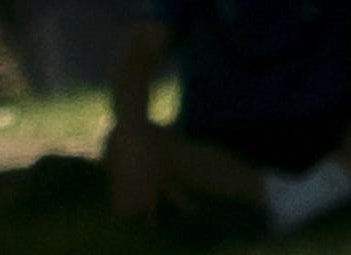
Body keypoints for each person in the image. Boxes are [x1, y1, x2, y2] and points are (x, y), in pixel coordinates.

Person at [104, 0, 351, 239]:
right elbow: (141, 54)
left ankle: (297, 203)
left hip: (326, 132)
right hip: (220, 143)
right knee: (127, 144)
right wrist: (132, 130)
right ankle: (297, 201)